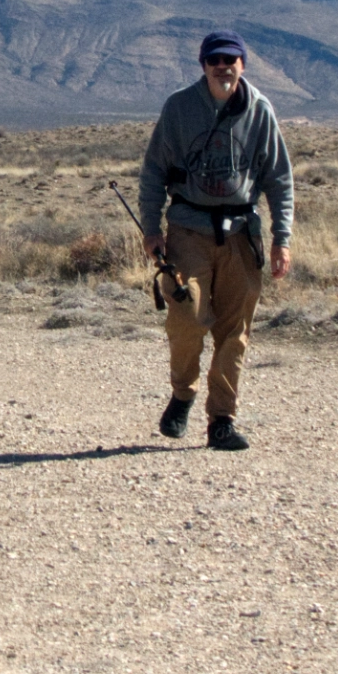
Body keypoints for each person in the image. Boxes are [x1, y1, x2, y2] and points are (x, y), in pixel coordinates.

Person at [137, 30, 294, 451]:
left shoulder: (259, 110)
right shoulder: (180, 108)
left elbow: (278, 179)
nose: (223, 66)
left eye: (231, 59)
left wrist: (283, 238)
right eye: (215, 60)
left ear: (243, 64)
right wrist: (151, 230)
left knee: (234, 331)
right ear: (203, 65)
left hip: (242, 234)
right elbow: (154, 171)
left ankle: (222, 419)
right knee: (187, 318)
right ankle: (183, 393)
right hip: (189, 230)